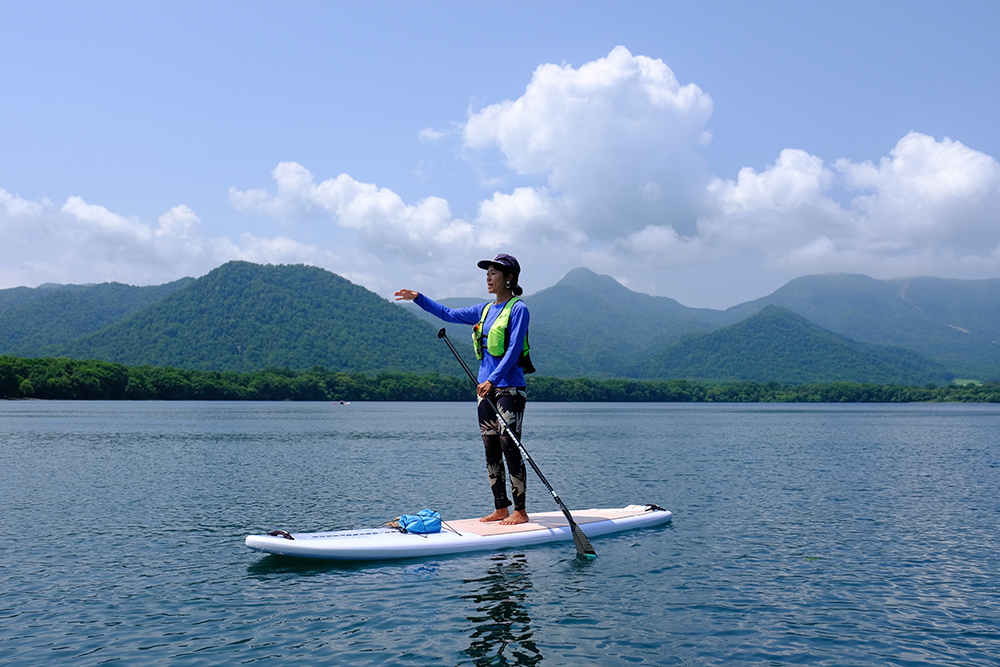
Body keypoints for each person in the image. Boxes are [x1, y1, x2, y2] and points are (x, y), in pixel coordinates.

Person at [395, 253, 534, 525]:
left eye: (494, 273)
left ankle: (520, 510)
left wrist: (492, 380)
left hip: (509, 389)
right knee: (490, 447)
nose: (488, 277)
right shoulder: (484, 310)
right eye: (487, 273)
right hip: (485, 390)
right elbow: (447, 313)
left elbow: (515, 349)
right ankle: (501, 508)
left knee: (509, 445)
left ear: (509, 278)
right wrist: (419, 297)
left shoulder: (518, 309)